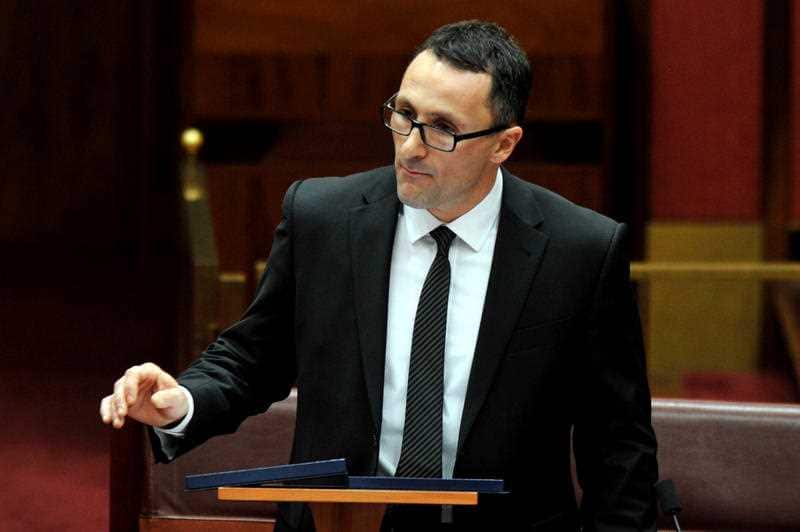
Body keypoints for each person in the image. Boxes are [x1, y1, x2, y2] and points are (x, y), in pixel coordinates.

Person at [100, 20, 658, 531]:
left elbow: (619, 444)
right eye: (404, 114)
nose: (411, 146)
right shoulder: (322, 217)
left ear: (503, 145)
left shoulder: (580, 250)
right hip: (338, 522)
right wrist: (184, 401)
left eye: (442, 129)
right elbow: (253, 357)